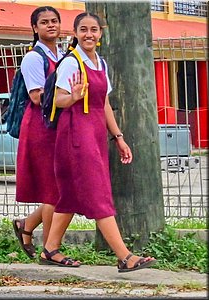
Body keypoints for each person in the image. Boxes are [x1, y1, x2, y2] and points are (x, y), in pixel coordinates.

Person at [43, 12, 157, 272]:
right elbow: (58, 100)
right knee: (98, 194)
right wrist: (71, 97)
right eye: (83, 29)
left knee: (71, 195)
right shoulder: (72, 63)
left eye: (94, 30)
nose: (89, 34)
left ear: (101, 34)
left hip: (93, 134)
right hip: (75, 135)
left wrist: (118, 137)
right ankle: (124, 256)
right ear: (75, 33)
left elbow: (103, 103)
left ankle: (50, 249)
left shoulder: (100, 64)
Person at [12, 6, 65, 261]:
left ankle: (27, 225)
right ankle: (50, 249)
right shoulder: (34, 58)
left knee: (59, 188)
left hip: (59, 126)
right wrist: (72, 99)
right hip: (41, 127)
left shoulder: (63, 55)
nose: (50, 25)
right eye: (44, 22)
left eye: (54, 21)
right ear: (35, 28)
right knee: (52, 189)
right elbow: (37, 97)